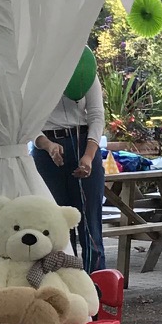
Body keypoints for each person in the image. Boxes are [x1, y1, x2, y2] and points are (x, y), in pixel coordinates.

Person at [32, 68, 106, 271]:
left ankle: (96, 283)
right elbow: (26, 120)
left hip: (84, 141)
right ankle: (65, 281)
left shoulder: (83, 67)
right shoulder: (33, 69)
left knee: (90, 223)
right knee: (56, 224)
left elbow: (96, 114)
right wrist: (47, 145)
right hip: (46, 148)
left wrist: (89, 155)